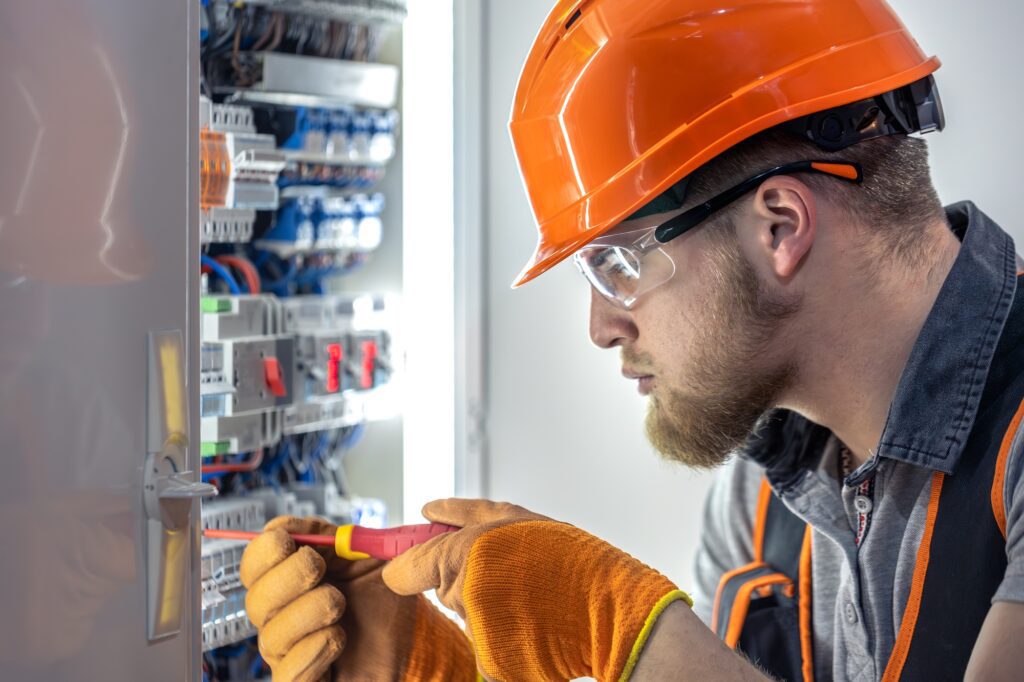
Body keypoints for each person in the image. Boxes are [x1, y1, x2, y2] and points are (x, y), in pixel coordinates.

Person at [238, 1, 1024, 680]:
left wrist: (623, 628)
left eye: (618, 264)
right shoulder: (766, 494)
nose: (601, 327)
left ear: (780, 227)